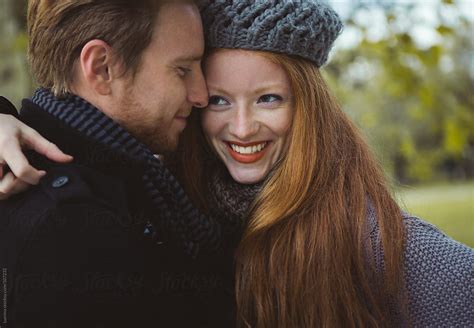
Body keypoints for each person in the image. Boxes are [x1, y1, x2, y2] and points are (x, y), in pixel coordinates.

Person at [1, 0, 473, 327]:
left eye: (269, 98)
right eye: (192, 77)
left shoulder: (377, 243)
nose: (203, 98)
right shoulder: (120, 204)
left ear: (308, 108)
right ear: (101, 68)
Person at [0, 0, 230, 327]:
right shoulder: (71, 232)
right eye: (183, 70)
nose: (201, 95)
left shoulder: (126, 180)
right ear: (102, 67)